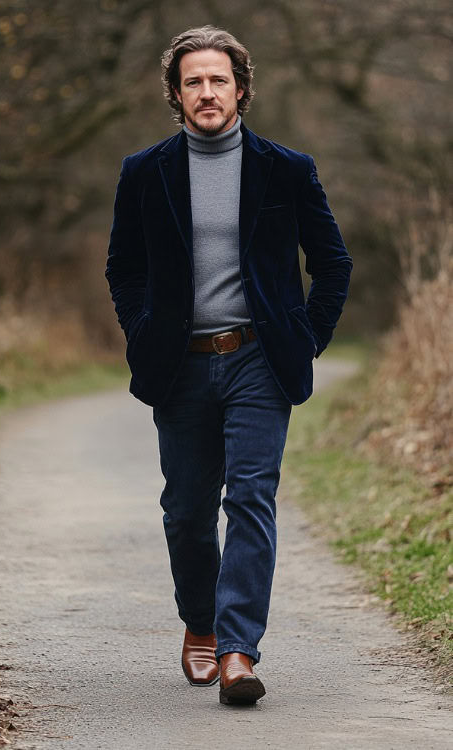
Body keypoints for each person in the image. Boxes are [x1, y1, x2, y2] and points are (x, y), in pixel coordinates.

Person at [105, 24, 353, 705]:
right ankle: (201, 623)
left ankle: (239, 649)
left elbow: (331, 265)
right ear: (176, 95)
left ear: (240, 89)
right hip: (180, 366)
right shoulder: (144, 172)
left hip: (257, 361)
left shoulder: (287, 168)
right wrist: (142, 330)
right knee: (186, 512)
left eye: (218, 79)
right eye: (193, 82)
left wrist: (306, 338)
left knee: (250, 498)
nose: (207, 92)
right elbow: (122, 268)